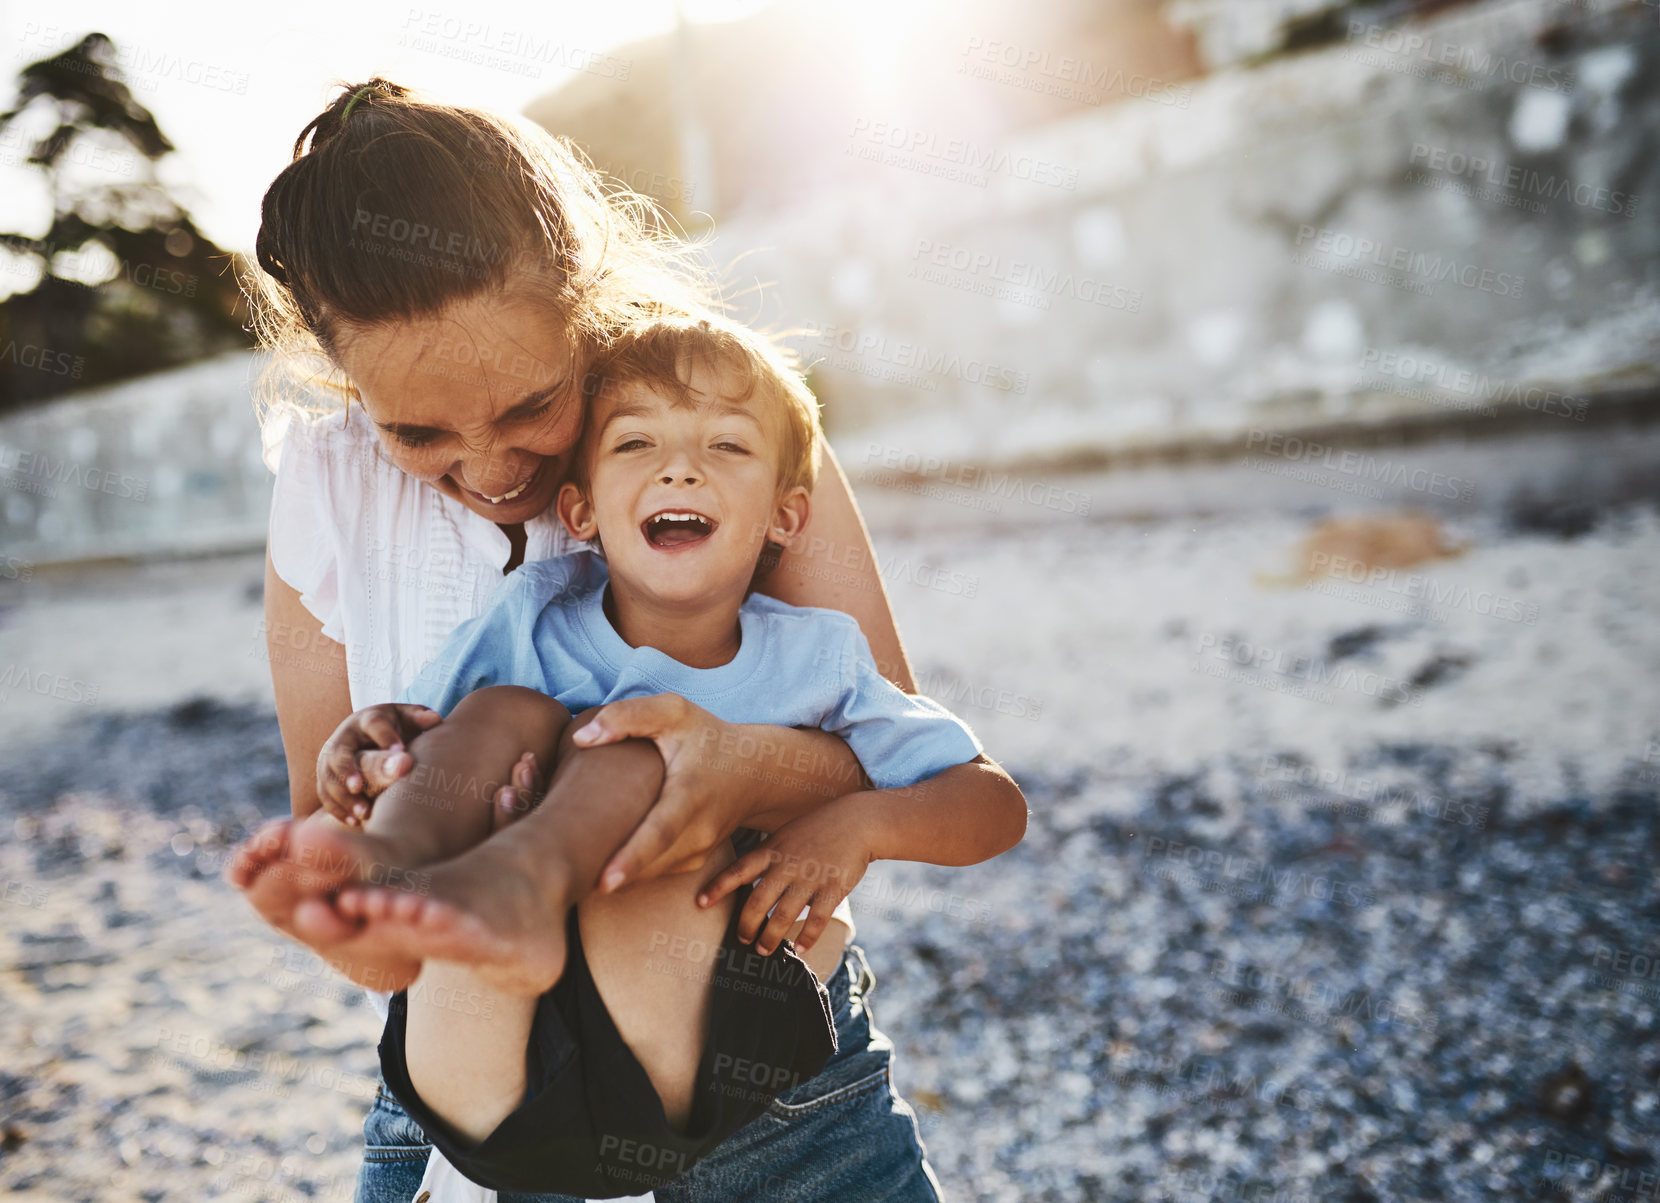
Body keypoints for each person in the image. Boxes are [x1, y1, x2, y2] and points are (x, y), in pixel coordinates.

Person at [227, 77, 1016, 1203]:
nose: (494, 472)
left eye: (528, 407)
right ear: (342, 380)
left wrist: (732, 761)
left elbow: (897, 751)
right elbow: (369, 951)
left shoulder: (718, 426)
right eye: (418, 431)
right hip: (481, 1098)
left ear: (579, 303)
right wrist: (383, 794)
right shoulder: (325, 488)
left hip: (773, 1085)